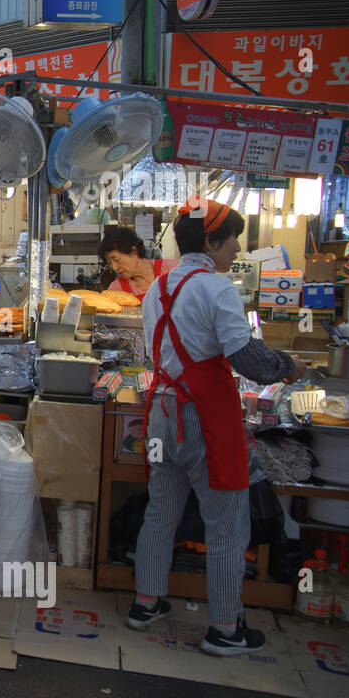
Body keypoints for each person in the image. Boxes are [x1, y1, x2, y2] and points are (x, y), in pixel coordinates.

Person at [132, 196, 306, 657]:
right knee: (227, 524)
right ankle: (225, 628)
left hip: (161, 414)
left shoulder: (158, 288)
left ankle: (146, 603)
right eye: (233, 241)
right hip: (203, 416)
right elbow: (246, 359)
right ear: (211, 241)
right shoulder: (217, 288)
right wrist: (288, 367)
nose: (236, 251)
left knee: (161, 509)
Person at [99, 225, 176, 300]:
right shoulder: (116, 289)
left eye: (116, 260)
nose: (114, 267)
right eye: (110, 263)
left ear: (134, 251)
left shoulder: (172, 269)